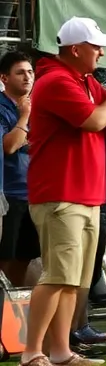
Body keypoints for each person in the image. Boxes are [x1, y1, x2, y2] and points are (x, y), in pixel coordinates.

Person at [24, 18, 106, 366]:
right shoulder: (56, 80)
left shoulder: (84, 80)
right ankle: (32, 353)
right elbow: (93, 121)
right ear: (76, 49)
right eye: (96, 46)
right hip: (60, 192)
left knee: (73, 281)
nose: (102, 52)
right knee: (59, 276)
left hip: (84, 193)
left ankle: (60, 351)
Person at [0, 50, 35, 286]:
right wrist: (24, 117)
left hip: (34, 194)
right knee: (5, 258)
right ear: (4, 78)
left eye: (30, 72)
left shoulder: (36, 105)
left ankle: (14, 315)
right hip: (9, 195)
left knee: (25, 257)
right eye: (20, 72)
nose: (27, 77)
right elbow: (10, 146)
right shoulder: (4, 107)